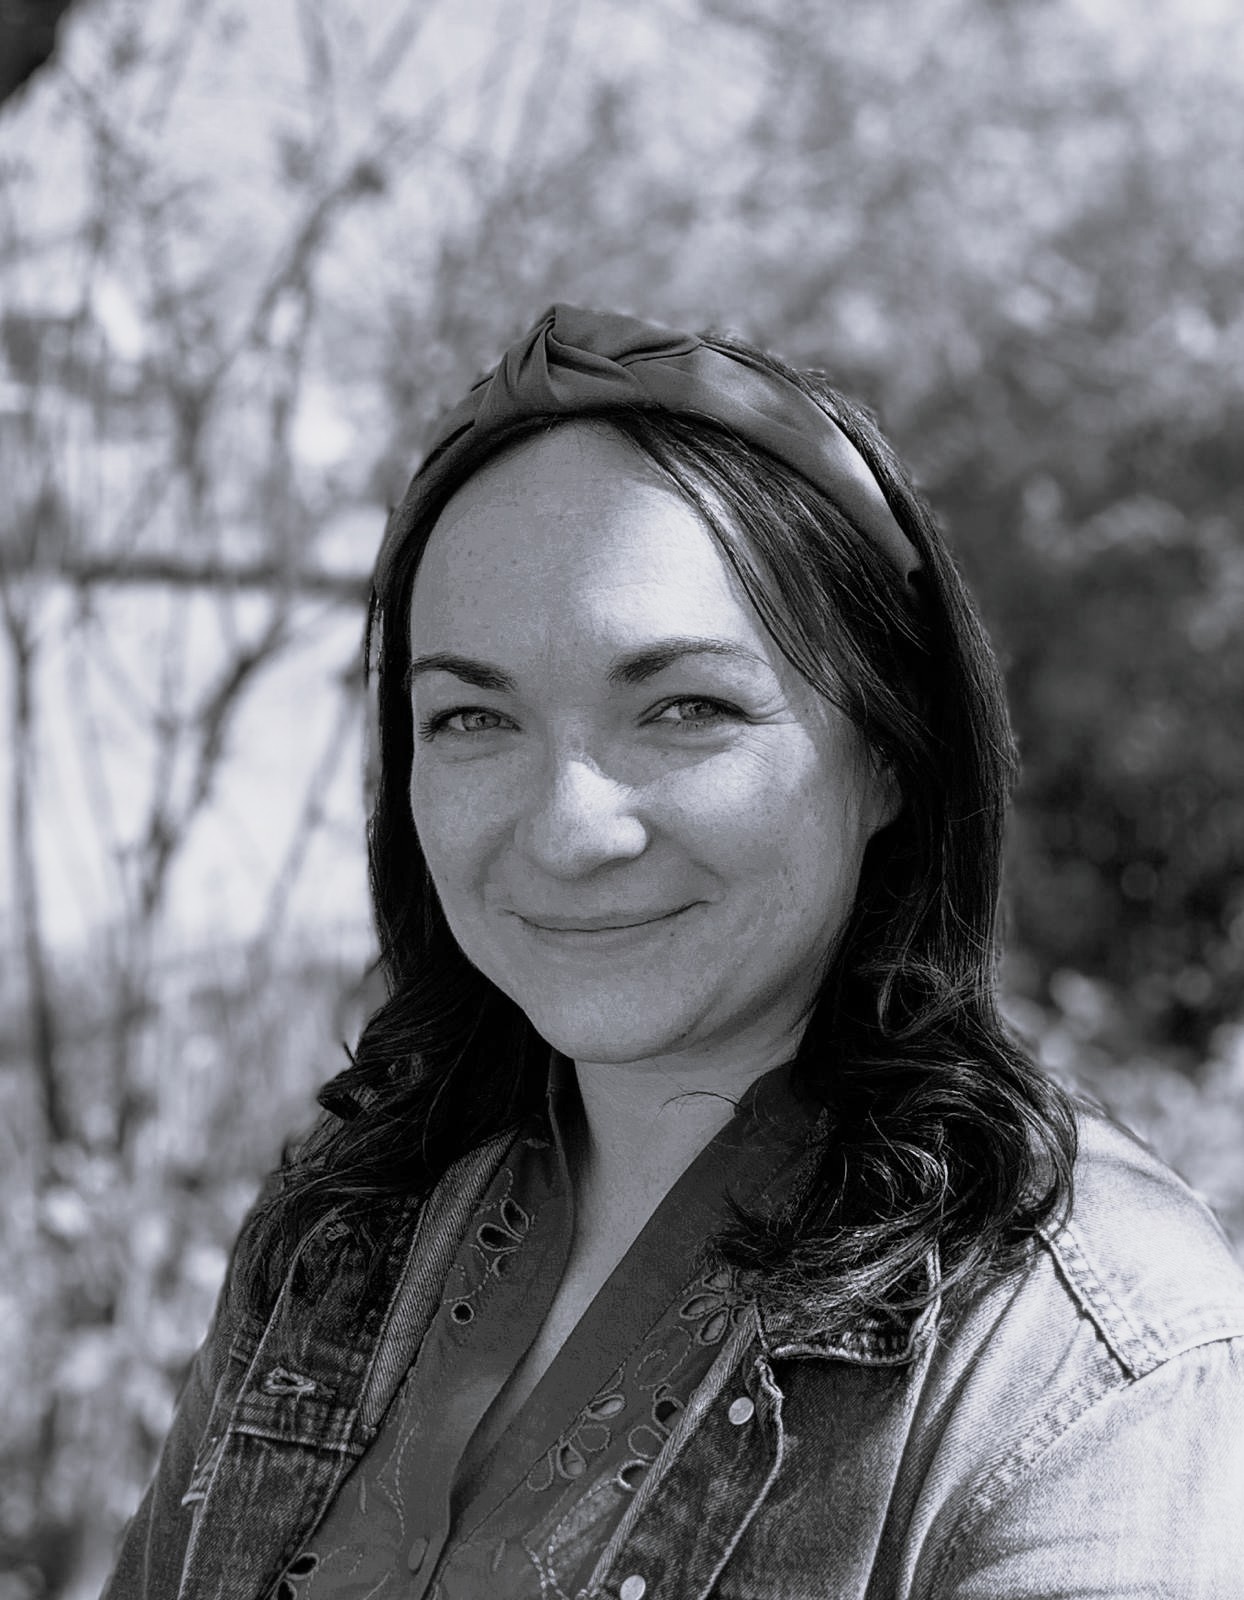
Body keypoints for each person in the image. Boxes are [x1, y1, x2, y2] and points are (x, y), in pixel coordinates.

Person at [103, 305, 1244, 1600]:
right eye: (471, 716)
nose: (567, 830)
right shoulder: (346, 1221)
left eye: (685, 707)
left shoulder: (1083, 1365)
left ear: (889, 752)